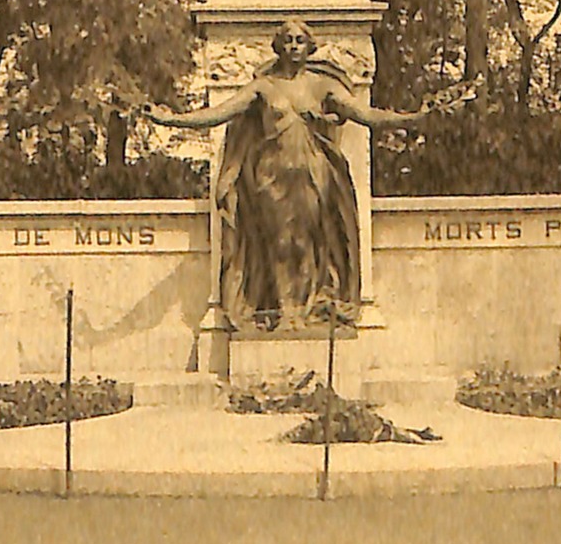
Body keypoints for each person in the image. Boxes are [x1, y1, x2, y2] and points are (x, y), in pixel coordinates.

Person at [143, 19, 473, 332]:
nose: (294, 45)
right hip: (270, 177)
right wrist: (173, 120)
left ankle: (301, 311)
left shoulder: (323, 86)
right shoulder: (264, 87)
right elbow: (219, 113)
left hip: (314, 175)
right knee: (278, 242)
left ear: (309, 46)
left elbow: (366, 115)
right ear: (278, 46)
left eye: (300, 40)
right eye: (288, 40)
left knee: (306, 241)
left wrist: (412, 117)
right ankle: (285, 312)